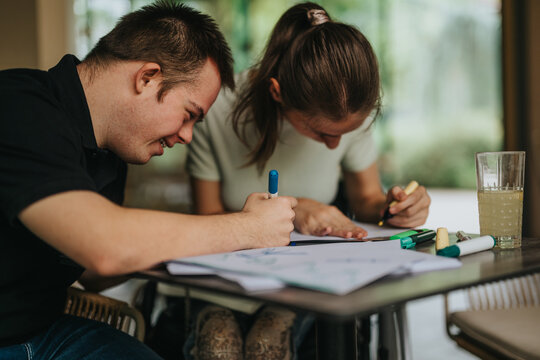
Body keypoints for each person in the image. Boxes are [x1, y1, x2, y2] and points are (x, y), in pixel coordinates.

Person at [0, 2, 297, 359]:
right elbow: (105, 248)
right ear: (147, 77)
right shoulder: (19, 105)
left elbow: (94, 273)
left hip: (45, 331)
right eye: (189, 114)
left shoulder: (109, 152)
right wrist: (247, 229)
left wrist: (211, 244)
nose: (186, 137)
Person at [181, 2, 431, 359]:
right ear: (277, 92)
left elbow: (367, 201)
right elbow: (204, 219)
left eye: (347, 134)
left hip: (311, 281)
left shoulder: (348, 109)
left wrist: (395, 208)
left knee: (267, 344)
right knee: (218, 343)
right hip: (227, 282)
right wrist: (293, 209)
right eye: (320, 132)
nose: (335, 145)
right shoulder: (217, 109)